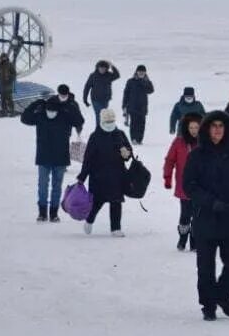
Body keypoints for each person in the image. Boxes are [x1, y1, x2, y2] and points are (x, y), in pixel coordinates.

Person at [183, 110, 229, 321]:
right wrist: (210, 202)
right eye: (213, 126)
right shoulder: (196, 155)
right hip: (205, 218)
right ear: (206, 129)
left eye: (221, 126)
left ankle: (223, 295)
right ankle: (208, 305)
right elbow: (189, 186)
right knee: (205, 267)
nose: (217, 130)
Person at [20, 96, 80, 222]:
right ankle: (42, 213)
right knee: (43, 186)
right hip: (44, 157)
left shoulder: (64, 116)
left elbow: (79, 120)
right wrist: (35, 103)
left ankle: (53, 213)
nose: (50, 113)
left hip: (60, 158)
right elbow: (24, 118)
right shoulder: (40, 116)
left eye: (53, 110)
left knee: (56, 187)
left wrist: (68, 106)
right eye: (48, 110)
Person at [77, 108, 133, 237]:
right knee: (97, 201)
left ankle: (116, 228)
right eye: (107, 121)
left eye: (112, 120)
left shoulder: (120, 134)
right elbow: (88, 158)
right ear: (102, 121)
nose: (110, 123)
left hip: (117, 174)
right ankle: (89, 220)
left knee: (116, 201)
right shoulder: (95, 136)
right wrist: (82, 176)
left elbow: (129, 151)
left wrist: (127, 153)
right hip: (98, 175)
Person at [163, 112, 203, 251]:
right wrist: (167, 178)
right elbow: (169, 160)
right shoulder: (179, 142)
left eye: (196, 128)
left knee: (198, 215)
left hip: (201, 186)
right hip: (184, 185)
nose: (194, 131)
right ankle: (183, 237)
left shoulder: (204, 142)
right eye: (191, 128)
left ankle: (195, 240)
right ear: (187, 128)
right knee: (185, 214)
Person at [122, 64, 154, 145]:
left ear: (145, 73)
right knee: (133, 123)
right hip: (132, 107)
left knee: (142, 124)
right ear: (136, 72)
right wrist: (124, 105)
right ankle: (133, 139)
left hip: (143, 107)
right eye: (139, 72)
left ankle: (139, 139)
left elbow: (151, 90)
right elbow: (126, 93)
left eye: (143, 72)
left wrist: (145, 82)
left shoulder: (147, 81)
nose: (141, 73)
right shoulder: (130, 81)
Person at [82, 60, 120, 126]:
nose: (102, 69)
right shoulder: (93, 76)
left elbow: (117, 75)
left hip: (105, 99)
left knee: (103, 115)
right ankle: (99, 129)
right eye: (101, 68)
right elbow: (87, 87)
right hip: (95, 99)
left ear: (106, 69)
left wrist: (112, 66)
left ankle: (103, 129)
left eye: (104, 68)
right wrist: (85, 99)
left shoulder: (109, 75)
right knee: (99, 114)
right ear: (98, 67)